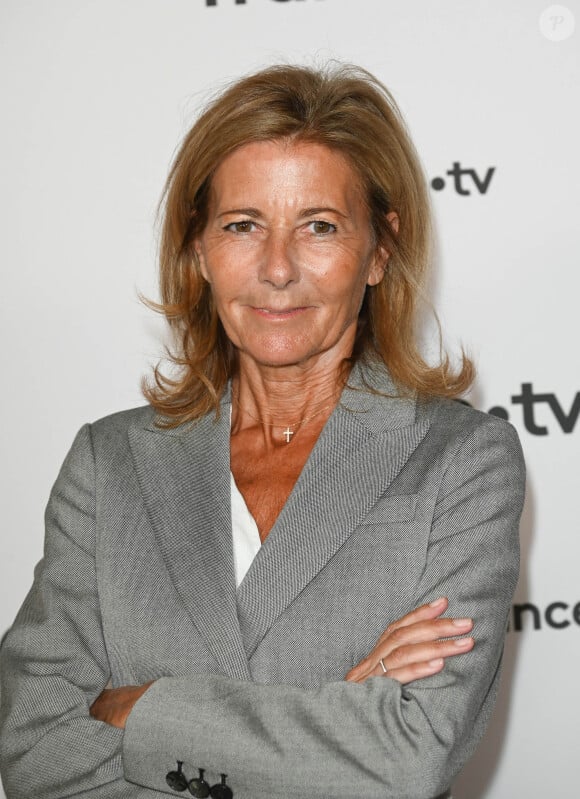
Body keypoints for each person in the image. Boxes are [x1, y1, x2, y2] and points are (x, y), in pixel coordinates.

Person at [0, 64, 525, 799]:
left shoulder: (461, 462)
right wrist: (334, 718)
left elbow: (409, 757)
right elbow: (33, 750)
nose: (277, 269)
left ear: (379, 250)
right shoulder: (109, 462)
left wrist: (141, 709)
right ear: (198, 251)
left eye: (319, 226)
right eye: (242, 225)